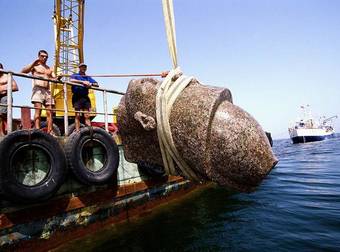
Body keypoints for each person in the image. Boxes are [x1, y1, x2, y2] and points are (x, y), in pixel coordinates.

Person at [21, 50, 55, 134]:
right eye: (43, 56)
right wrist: (34, 62)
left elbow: (54, 78)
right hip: (38, 90)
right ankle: (37, 130)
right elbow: (23, 71)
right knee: (38, 110)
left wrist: (58, 78)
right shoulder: (35, 66)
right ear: (39, 56)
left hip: (47, 90)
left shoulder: (48, 68)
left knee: (49, 112)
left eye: (46, 57)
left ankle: (50, 131)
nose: (45, 58)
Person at [70, 63, 98, 132]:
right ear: (79, 68)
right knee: (78, 115)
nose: (83, 68)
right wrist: (83, 82)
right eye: (82, 67)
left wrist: (90, 84)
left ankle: (89, 132)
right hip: (77, 96)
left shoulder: (88, 77)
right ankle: (77, 131)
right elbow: (71, 80)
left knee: (87, 115)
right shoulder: (75, 75)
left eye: (85, 67)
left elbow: (97, 84)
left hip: (85, 97)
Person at [0, 63, 19, 136]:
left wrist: (4, 88)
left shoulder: (7, 76)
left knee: (2, 114)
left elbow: (15, 87)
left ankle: (4, 132)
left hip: (5, 96)